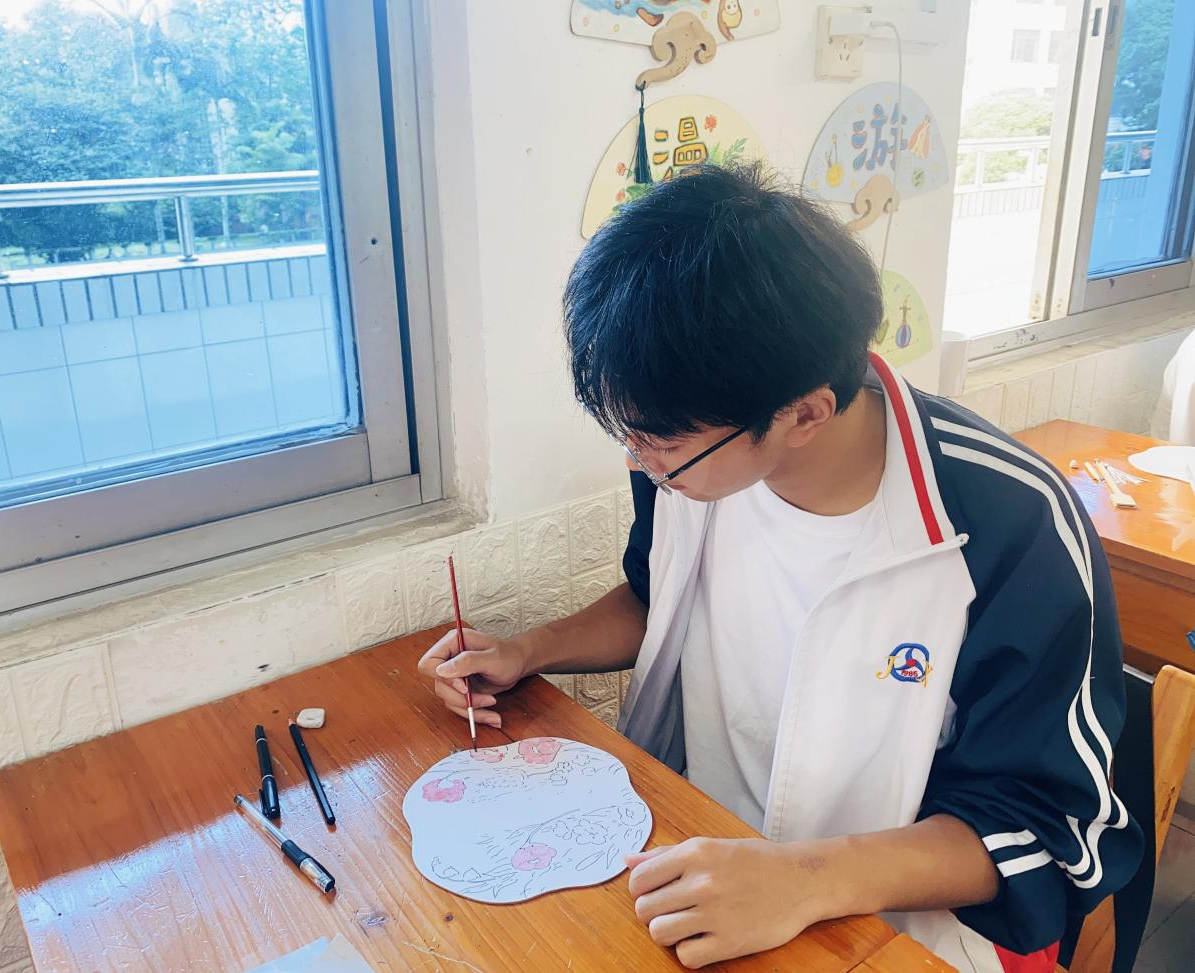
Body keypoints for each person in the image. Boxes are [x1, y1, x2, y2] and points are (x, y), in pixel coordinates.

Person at [418, 163, 1141, 972]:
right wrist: (529, 650)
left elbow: (1043, 826)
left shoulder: (1012, 523)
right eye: (627, 431)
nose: (636, 457)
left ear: (805, 413)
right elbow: (659, 595)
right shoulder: (695, 460)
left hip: (895, 923)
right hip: (706, 854)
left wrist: (799, 880)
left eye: (657, 440)